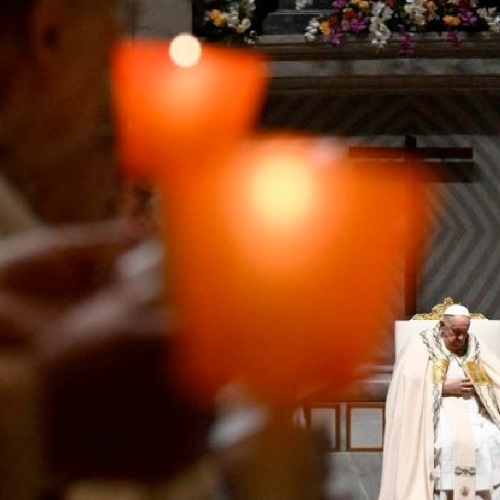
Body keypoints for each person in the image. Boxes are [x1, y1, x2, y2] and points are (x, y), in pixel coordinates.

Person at [379, 304, 500, 500]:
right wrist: (442, 388)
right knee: (449, 441)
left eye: (464, 332)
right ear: (443, 326)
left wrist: (480, 385)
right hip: (435, 408)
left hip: (473, 407)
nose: (461, 338)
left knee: (491, 437)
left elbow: (494, 376)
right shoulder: (420, 345)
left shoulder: (474, 345)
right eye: (456, 332)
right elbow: (407, 385)